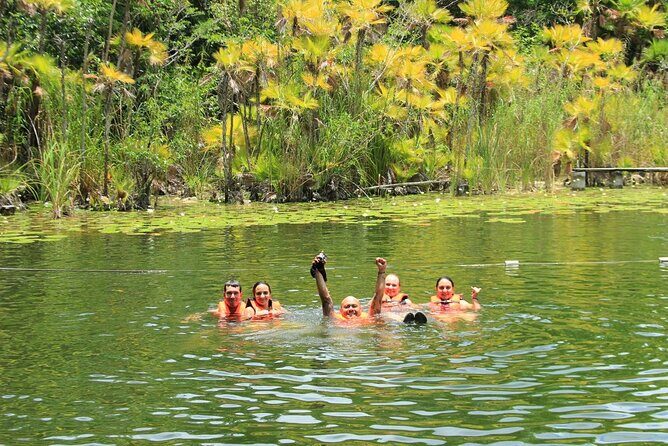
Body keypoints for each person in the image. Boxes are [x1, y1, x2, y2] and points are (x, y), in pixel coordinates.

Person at [311, 253, 386, 322]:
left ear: (361, 309)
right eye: (347, 307)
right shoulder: (336, 319)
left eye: (354, 306)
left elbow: (378, 296)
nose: (351, 309)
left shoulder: (368, 318)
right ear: (340, 311)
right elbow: (326, 300)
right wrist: (318, 270)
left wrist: (381, 271)